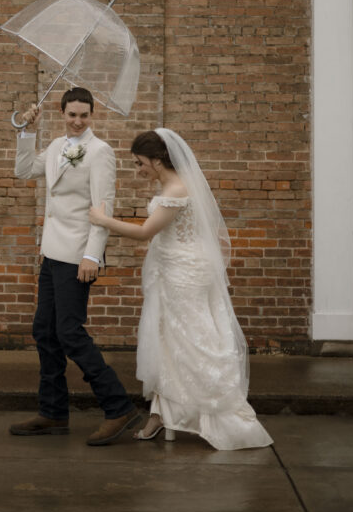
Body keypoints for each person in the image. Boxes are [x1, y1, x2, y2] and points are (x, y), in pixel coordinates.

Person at [89, 128, 273, 450]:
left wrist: (103, 220)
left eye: (140, 163)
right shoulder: (175, 184)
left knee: (190, 342)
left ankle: (220, 415)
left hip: (183, 273)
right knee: (168, 340)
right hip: (179, 267)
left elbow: (145, 232)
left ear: (158, 161)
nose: (139, 169)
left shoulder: (175, 189)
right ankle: (161, 416)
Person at [9, 87, 141, 445]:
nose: (78, 121)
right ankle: (52, 413)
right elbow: (23, 171)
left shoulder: (100, 152)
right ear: (62, 112)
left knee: (69, 332)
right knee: (45, 332)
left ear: (92, 115)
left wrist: (92, 255)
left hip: (78, 255)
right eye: (72, 114)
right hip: (52, 253)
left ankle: (119, 407)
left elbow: (104, 206)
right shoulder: (54, 146)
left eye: (84, 115)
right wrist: (26, 129)